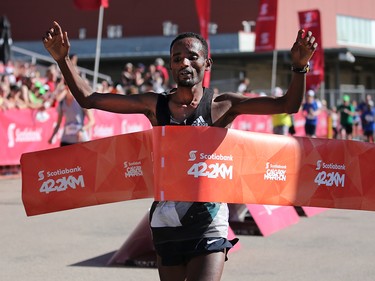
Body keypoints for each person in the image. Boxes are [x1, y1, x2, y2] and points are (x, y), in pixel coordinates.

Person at [43, 21, 317, 281]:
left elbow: (288, 104)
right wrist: (62, 60)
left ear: (207, 63)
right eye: (177, 58)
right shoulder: (154, 105)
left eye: (192, 57)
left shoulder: (223, 105)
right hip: (167, 221)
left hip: (209, 222)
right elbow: (89, 99)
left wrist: (299, 67)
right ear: (171, 66)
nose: (184, 62)